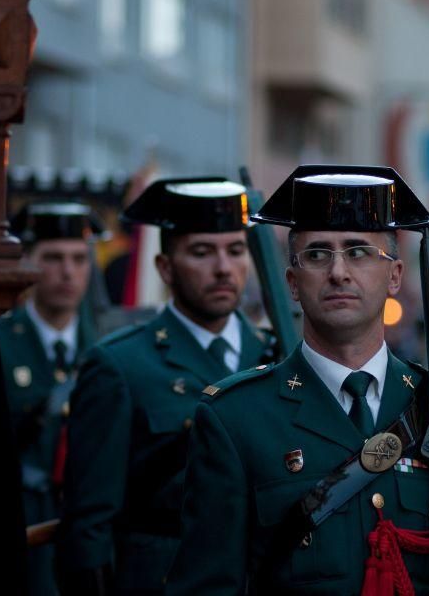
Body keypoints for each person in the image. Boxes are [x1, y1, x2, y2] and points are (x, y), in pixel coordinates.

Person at [165, 166, 429, 595]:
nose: (339, 272)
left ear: (395, 276)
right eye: (318, 255)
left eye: (359, 252)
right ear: (292, 282)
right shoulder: (236, 420)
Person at [55, 177, 273, 595]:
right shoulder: (120, 365)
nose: (223, 268)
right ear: (165, 268)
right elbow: (88, 528)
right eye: (202, 252)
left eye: (235, 250)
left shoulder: (275, 357)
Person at [0, 201, 105, 595]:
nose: (68, 271)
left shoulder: (109, 348)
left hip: (85, 528)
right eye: (53, 258)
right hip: (18, 523)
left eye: (78, 258)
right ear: (28, 262)